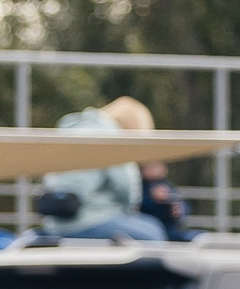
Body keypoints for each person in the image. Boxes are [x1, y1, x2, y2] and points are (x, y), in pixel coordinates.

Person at [36, 96, 167, 242]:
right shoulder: (112, 138)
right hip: (89, 221)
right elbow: (126, 187)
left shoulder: (71, 130)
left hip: (54, 224)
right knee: (154, 232)